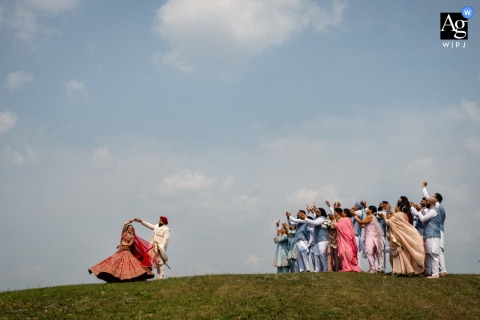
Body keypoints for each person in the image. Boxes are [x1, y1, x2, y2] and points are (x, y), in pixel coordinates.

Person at [88, 221, 155, 282]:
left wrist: (123, 244)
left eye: (132, 228)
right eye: (129, 228)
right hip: (120, 251)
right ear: (127, 229)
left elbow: (130, 244)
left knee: (128, 264)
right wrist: (127, 223)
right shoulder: (124, 234)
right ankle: (112, 277)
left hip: (127, 250)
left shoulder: (132, 236)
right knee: (113, 262)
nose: (131, 229)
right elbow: (124, 225)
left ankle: (131, 277)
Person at [379, 204, 425, 276]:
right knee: (403, 253)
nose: (395, 207)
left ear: (399, 207)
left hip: (397, 237)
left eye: (396, 206)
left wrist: (384, 217)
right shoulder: (404, 215)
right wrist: (390, 217)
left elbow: (389, 223)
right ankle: (407, 270)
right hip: (402, 236)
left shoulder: (396, 215)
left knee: (397, 253)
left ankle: (399, 270)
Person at [422, 181, 447, 277]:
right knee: (437, 251)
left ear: (436, 199)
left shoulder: (438, 206)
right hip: (438, 229)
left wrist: (424, 187)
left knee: (438, 251)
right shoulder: (440, 207)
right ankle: (440, 271)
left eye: (433, 196)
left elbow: (427, 197)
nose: (430, 198)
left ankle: (442, 270)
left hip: (437, 230)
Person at [134, 216, 170, 280]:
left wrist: (161, 247)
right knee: (157, 261)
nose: (159, 221)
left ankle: (161, 276)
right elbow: (149, 225)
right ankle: (158, 276)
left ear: (164, 222)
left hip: (160, 247)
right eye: (160, 220)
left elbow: (166, 240)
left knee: (161, 262)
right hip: (153, 246)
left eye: (161, 220)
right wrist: (141, 221)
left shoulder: (166, 229)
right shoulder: (156, 226)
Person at [414, 197, 442, 279]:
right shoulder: (431, 210)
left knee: (434, 254)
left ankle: (435, 274)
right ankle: (428, 271)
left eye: (428, 201)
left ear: (431, 202)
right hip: (428, 234)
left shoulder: (433, 211)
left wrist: (419, 211)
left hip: (433, 235)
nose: (426, 203)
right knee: (428, 253)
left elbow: (423, 219)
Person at [353, 206, 384, 273]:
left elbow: (361, 222)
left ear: (371, 210)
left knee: (369, 251)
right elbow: (362, 225)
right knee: (375, 252)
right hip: (372, 236)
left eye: (368, 209)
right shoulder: (371, 217)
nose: (367, 210)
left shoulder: (370, 216)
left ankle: (373, 268)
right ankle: (377, 268)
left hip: (371, 236)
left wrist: (355, 217)